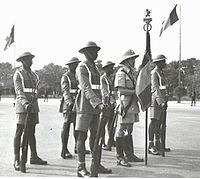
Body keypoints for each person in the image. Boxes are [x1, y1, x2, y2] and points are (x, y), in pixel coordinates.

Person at [75, 41, 112, 177]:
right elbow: (86, 88)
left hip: (97, 106)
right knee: (82, 136)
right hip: (85, 106)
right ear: (86, 52)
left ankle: (96, 163)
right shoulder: (82, 67)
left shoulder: (96, 68)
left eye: (97, 51)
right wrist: (98, 103)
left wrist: (104, 101)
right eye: (93, 51)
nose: (96, 53)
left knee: (96, 135)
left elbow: (100, 88)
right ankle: (81, 166)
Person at [13, 52, 47, 173]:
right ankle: (17, 159)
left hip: (33, 107)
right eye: (28, 59)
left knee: (32, 132)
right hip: (23, 107)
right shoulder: (18, 74)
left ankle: (33, 156)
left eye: (31, 59)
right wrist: (25, 103)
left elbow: (35, 90)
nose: (31, 61)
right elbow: (19, 92)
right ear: (22, 61)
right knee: (19, 132)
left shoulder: (34, 75)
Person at [114, 49, 144, 167]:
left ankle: (129, 154)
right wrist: (135, 92)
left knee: (129, 129)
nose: (134, 61)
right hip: (125, 104)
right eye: (132, 59)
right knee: (121, 130)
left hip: (132, 105)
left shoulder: (132, 73)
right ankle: (120, 157)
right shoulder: (121, 73)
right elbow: (121, 90)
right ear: (126, 61)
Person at [59, 57, 90, 159]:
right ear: (69, 65)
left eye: (76, 64)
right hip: (68, 105)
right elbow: (65, 91)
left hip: (77, 104)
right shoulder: (65, 76)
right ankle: (64, 149)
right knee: (66, 127)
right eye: (73, 64)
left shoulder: (78, 75)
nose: (75, 66)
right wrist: (69, 102)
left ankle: (78, 146)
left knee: (77, 127)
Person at [148, 54, 168, 155]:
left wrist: (165, 99)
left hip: (162, 101)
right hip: (156, 101)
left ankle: (157, 142)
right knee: (154, 121)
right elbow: (155, 88)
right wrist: (161, 101)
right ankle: (150, 145)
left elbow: (163, 88)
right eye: (163, 61)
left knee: (159, 122)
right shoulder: (154, 73)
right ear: (158, 62)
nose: (165, 63)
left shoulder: (161, 72)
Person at [100, 61, 116, 151]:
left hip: (112, 103)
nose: (112, 69)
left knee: (111, 124)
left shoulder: (111, 78)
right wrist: (112, 101)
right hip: (106, 103)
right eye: (110, 67)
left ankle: (111, 141)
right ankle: (102, 142)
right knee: (103, 124)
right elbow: (104, 92)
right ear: (106, 69)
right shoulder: (103, 78)